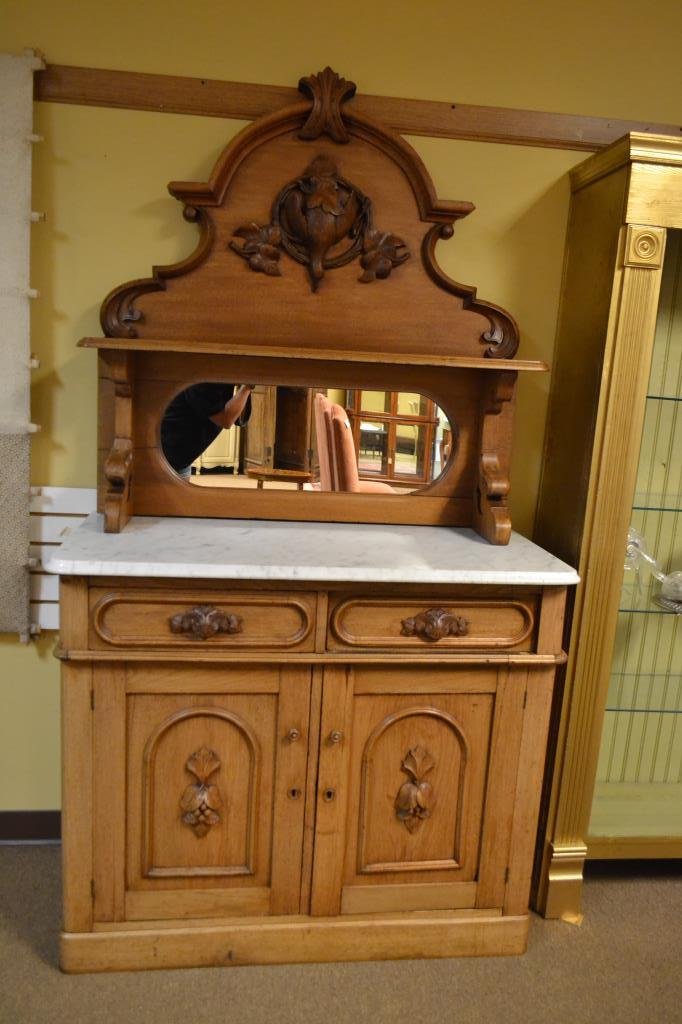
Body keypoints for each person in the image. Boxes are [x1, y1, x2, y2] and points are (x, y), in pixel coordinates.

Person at [161, 382, 254, 477]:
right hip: (167, 454)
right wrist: (248, 386)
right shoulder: (204, 376)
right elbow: (226, 419)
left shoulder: (220, 376)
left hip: (180, 456)